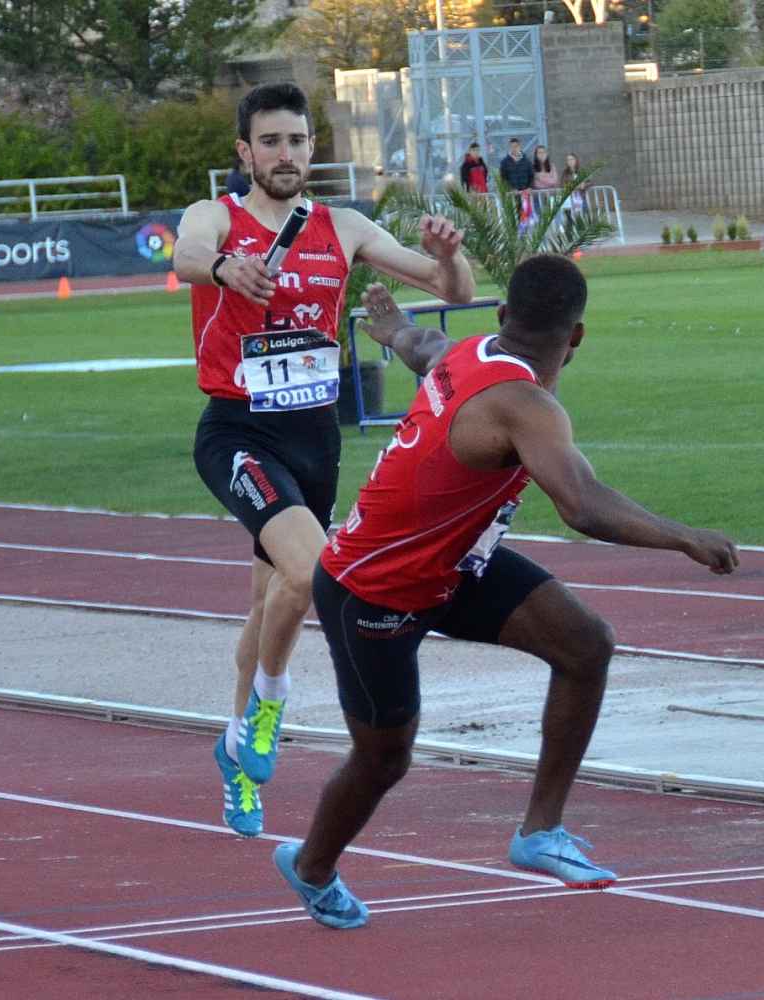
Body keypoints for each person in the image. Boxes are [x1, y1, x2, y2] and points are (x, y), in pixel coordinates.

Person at [273, 256, 740, 929]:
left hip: (456, 568)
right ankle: (312, 865)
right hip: (373, 589)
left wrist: (395, 327)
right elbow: (581, 504)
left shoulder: (468, 352)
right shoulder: (527, 407)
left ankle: (539, 832)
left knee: (585, 646)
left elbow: (424, 346)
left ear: (500, 316)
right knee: (384, 758)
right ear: (576, 337)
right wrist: (684, 537)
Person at [172, 81, 477, 839]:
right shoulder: (217, 216)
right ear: (245, 151)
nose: (285, 154)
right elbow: (187, 256)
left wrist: (449, 257)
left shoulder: (341, 225)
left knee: (271, 599)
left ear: (312, 149)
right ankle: (270, 704)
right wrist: (225, 269)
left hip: (315, 439)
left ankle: (236, 750)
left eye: (297, 141)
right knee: (312, 572)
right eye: (270, 141)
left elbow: (453, 287)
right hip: (239, 434)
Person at [498, 137, 536, 229]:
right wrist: (510, 189)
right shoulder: (504, 162)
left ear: (519, 147)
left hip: (525, 195)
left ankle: (526, 234)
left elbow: (531, 176)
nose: (514, 148)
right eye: (512, 146)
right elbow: (503, 178)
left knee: (526, 218)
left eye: (516, 146)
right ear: (509, 147)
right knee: (514, 218)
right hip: (512, 196)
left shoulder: (527, 161)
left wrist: (530, 187)